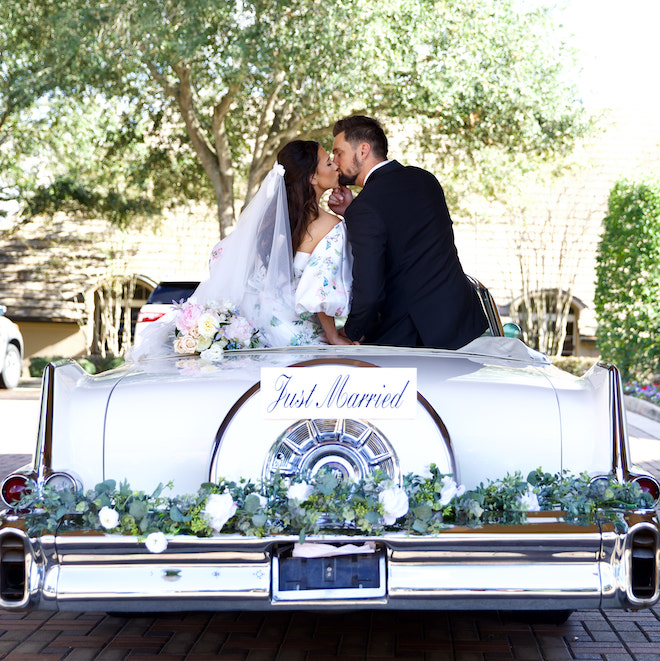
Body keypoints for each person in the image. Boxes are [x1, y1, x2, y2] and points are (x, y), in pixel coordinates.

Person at [129, 140, 352, 360]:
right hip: (299, 340)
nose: (336, 166)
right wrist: (333, 335)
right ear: (312, 177)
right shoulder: (331, 227)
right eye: (328, 163)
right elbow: (319, 289)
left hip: (257, 338)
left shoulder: (265, 225)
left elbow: (224, 258)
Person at [328, 115, 488, 349]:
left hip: (414, 336)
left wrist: (353, 331)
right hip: (462, 321)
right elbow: (406, 235)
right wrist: (352, 212)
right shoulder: (424, 179)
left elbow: (370, 289)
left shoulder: (367, 206)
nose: (335, 162)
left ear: (363, 150)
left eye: (338, 152)